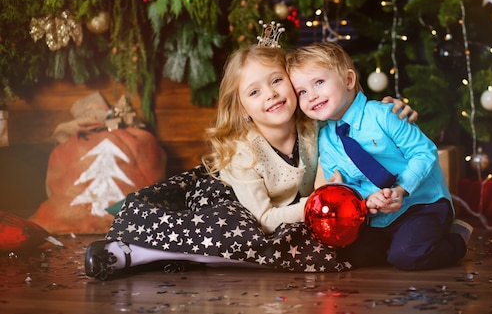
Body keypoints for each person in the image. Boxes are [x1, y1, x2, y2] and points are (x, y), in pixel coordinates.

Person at [85, 31, 417, 280]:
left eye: (277, 81)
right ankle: (137, 253)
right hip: (232, 207)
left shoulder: (313, 125)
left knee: (338, 245)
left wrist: (388, 110)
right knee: (235, 229)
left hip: (287, 211)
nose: (271, 94)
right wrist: (315, 206)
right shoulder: (243, 152)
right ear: (242, 108)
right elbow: (263, 219)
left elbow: (353, 113)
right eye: (255, 92)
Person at [286, 41, 472, 271]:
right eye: (302, 92)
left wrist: (401, 190)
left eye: (319, 82)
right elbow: (346, 184)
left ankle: (456, 239)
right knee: (354, 256)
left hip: (421, 204)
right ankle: (398, 242)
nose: (311, 96)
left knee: (408, 257)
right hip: (379, 215)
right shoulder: (326, 139)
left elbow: (424, 152)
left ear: (348, 80)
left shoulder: (385, 114)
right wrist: (368, 201)